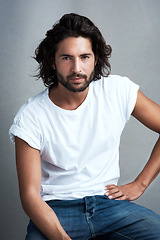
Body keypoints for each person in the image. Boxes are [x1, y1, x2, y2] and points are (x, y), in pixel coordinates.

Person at [9, 13, 160, 240]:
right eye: (67, 58)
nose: (77, 68)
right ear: (53, 61)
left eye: (85, 57)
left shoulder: (117, 90)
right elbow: (30, 196)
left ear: (96, 59)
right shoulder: (31, 116)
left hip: (108, 205)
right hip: (55, 210)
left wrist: (141, 183)